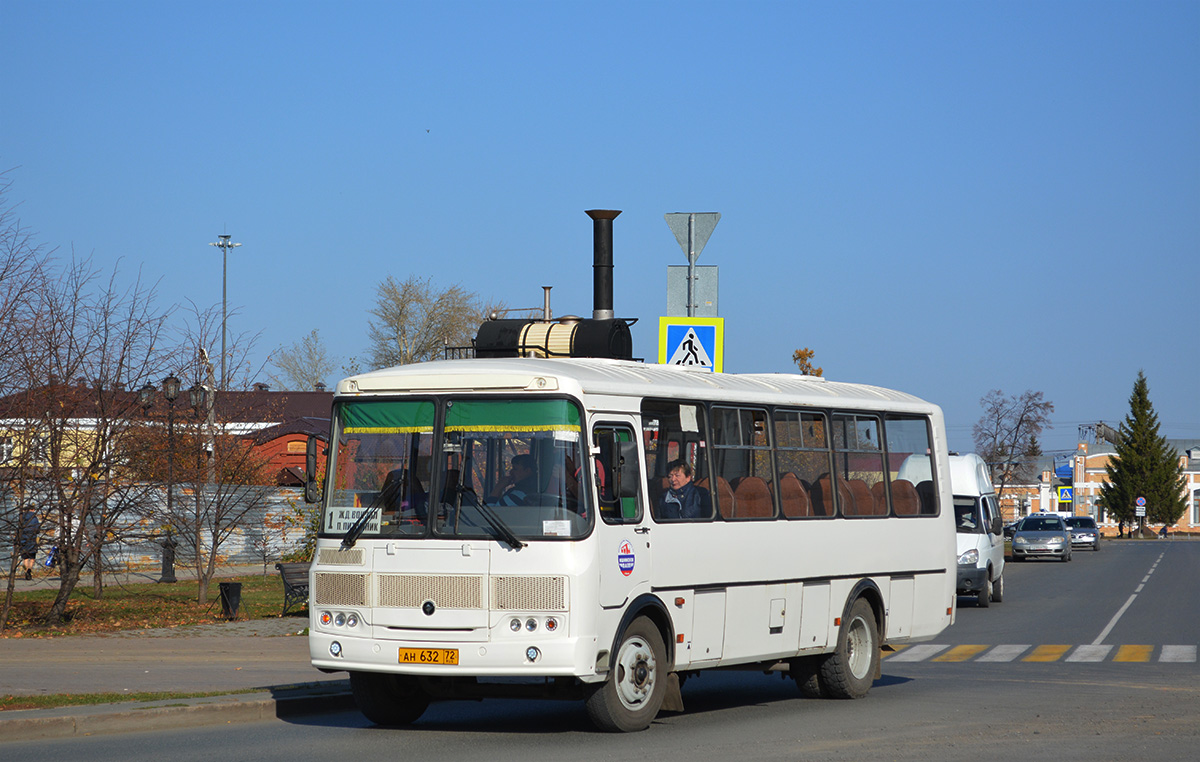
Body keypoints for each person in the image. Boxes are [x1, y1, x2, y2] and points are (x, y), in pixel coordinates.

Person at [17, 507, 39, 580]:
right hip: (32, 539)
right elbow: (37, 529)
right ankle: (29, 569)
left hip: (23, 539)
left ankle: (26, 571)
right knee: (32, 556)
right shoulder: (34, 518)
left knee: (25, 557)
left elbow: (18, 529)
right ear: (32, 510)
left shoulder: (21, 518)